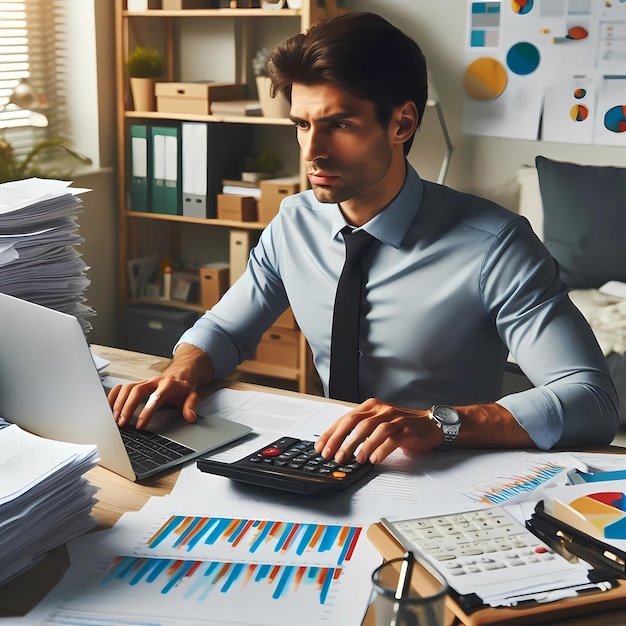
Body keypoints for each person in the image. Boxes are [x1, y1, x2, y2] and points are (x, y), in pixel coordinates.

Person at [109, 11, 619, 466]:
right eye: (302, 125)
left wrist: (438, 424)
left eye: (340, 125)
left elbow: (591, 397)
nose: (313, 152)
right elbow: (224, 329)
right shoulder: (294, 223)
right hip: (328, 461)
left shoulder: (496, 244)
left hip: (450, 468)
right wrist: (181, 373)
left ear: (402, 122)